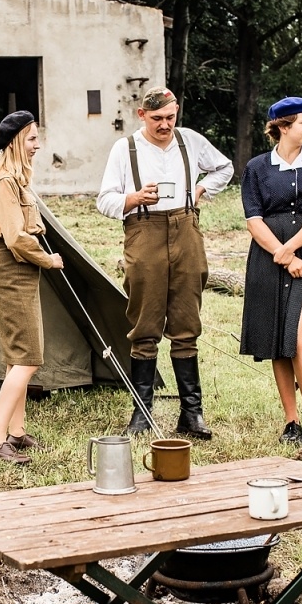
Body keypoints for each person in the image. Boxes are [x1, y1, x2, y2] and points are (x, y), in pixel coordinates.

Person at [96, 87, 233, 437]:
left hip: (186, 228)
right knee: (145, 325)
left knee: (187, 322)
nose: (165, 125)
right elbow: (104, 200)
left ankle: (192, 414)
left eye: (170, 117)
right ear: (142, 115)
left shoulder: (189, 141)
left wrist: (200, 191)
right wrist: (133, 198)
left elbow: (224, 168)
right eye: (157, 118)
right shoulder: (125, 149)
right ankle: (142, 414)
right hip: (144, 231)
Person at [239, 97, 302, 445]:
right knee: (275, 339)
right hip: (268, 258)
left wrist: (290, 250)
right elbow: (253, 220)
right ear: (283, 127)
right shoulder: (256, 168)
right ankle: (291, 420)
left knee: (300, 338)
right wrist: (280, 255)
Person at [0, 110, 64, 463]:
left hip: (19, 273)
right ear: (15, 141)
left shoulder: (15, 180)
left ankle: (16, 432)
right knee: (28, 359)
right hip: (10, 271)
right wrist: (49, 260)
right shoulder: (2, 182)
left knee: (19, 359)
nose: (37, 145)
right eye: (31, 139)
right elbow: (15, 238)